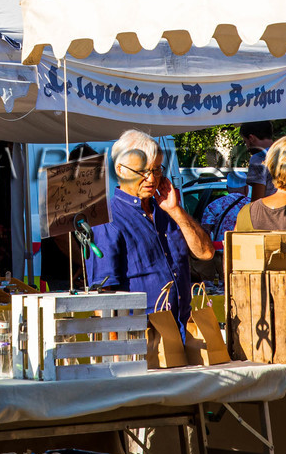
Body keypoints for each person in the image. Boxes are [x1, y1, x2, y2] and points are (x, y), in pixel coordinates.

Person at [86, 130, 215, 328]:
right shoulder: (108, 219)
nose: (151, 179)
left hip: (182, 330)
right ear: (120, 170)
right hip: (141, 336)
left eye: (156, 170)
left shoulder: (168, 211)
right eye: (142, 172)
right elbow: (103, 293)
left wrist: (176, 211)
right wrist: (114, 350)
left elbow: (206, 253)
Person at [239, 121, 277, 200]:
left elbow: (257, 200)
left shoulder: (259, 158)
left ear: (251, 138)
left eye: (245, 141)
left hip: (271, 210)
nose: (247, 147)